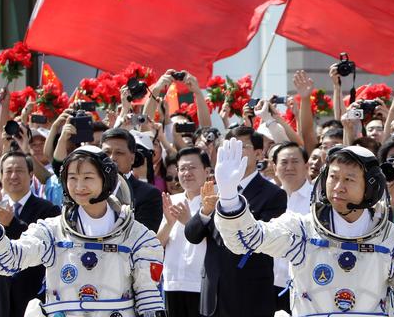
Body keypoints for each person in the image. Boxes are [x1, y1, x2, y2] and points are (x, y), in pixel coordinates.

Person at [213, 139, 394, 315]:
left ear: (370, 188)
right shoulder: (301, 231)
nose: (338, 187)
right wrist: (230, 198)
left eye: (349, 179)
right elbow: (246, 240)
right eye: (333, 177)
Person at [0, 145, 165, 316]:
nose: (79, 186)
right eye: (72, 178)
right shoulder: (52, 232)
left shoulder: (137, 237)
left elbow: (149, 302)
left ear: (107, 179)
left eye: (88, 177)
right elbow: (8, 261)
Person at [184, 127, 287, 317]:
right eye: (227, 147)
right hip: (213, 291)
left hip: (250, 293)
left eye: (241, 146)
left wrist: (230, 201)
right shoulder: (214, 189)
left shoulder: (274, 194)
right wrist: (205, 211)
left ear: (258, 153)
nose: (233, 153)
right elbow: (192, 235)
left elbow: (254, 240)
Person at [0, 151, 61, 317]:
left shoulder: (48, 209)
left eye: (19, 170)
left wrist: (12, 224)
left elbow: (45, 245)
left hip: (32, 297)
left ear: (31, 175)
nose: (13, 176)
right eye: (8, 171)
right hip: (0, 297)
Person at [157, 147, 210, 317]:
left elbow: (218, 242)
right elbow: (157, 244)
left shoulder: (216, 203)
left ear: (207, 171)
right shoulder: (172, 200)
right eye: (182, 169)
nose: (186, 173)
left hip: (201, 284)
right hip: (172, 283)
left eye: (192, 167)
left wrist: (188, 221)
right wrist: (170, 223)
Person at [272, 141, 314, 312]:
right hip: (272, 284)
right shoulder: (270, 198)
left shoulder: (318, 199)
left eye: (295, 161)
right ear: (275, 167)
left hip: (308, 285)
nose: (289, 167)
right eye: (283, 162)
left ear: (306, 166)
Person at [101, 128, 163, 232]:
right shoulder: (88, 189)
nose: (112, 158)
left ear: (132, 158)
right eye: (106, 152)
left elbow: (143, 236)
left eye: (119, 153)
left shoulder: (149, 194)